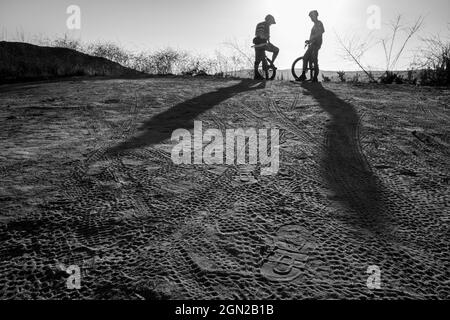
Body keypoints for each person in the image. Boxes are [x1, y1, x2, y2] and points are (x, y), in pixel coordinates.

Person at [297, 10, 325, 83]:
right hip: (313, 44)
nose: (311, 18)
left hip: (316, 44)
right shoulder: (314, 25)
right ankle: (307, 76)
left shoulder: (319, 23)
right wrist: (309, 41)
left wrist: (311, 40)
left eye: (312, 16)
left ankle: (314, 77)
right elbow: (314, 35)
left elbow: (320, 32)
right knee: (307, 58)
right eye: (310, 17)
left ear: (316, 16)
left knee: (314, 60)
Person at [253, 14, 279, 80]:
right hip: (263, 44)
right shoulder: (267, 25)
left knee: (257, 60)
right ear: (269, 20)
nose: (271, 24)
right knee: (276, 50)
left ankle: (256, 74)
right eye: (271, 22)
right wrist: (269, 42)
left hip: (256, 44)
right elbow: (266, 36)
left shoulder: (259, 24)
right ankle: (271, 65)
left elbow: (257, 34)